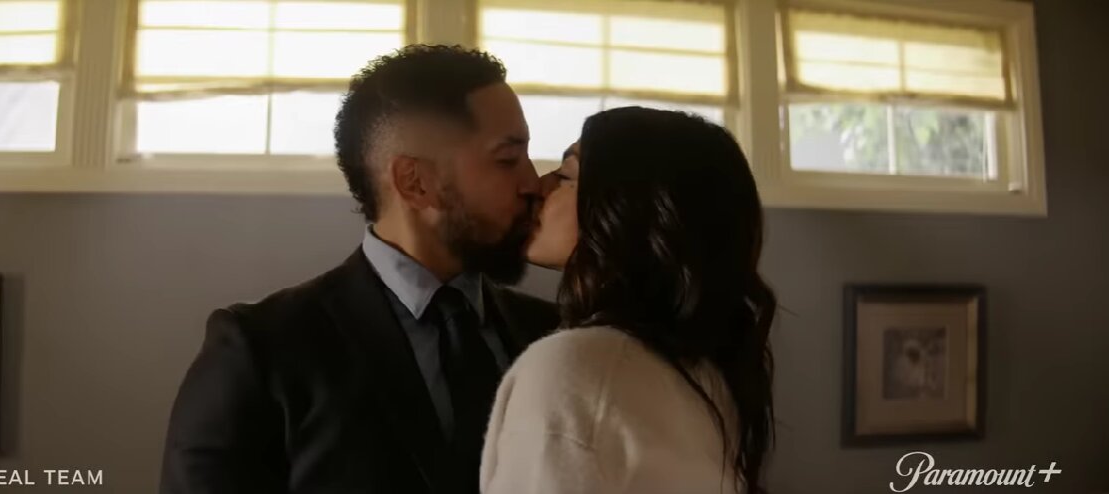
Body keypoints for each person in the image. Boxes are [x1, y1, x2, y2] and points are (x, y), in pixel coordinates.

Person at [159, 45, 558, 494]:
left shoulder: (555, 336)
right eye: (507, 159)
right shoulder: (262, 352)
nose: (534, 183)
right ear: (415, 182)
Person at [481, 107, 777, 494]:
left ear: (627, 210)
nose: (538, 185)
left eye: (566, 175)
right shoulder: (708, 379)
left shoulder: (573, 368)